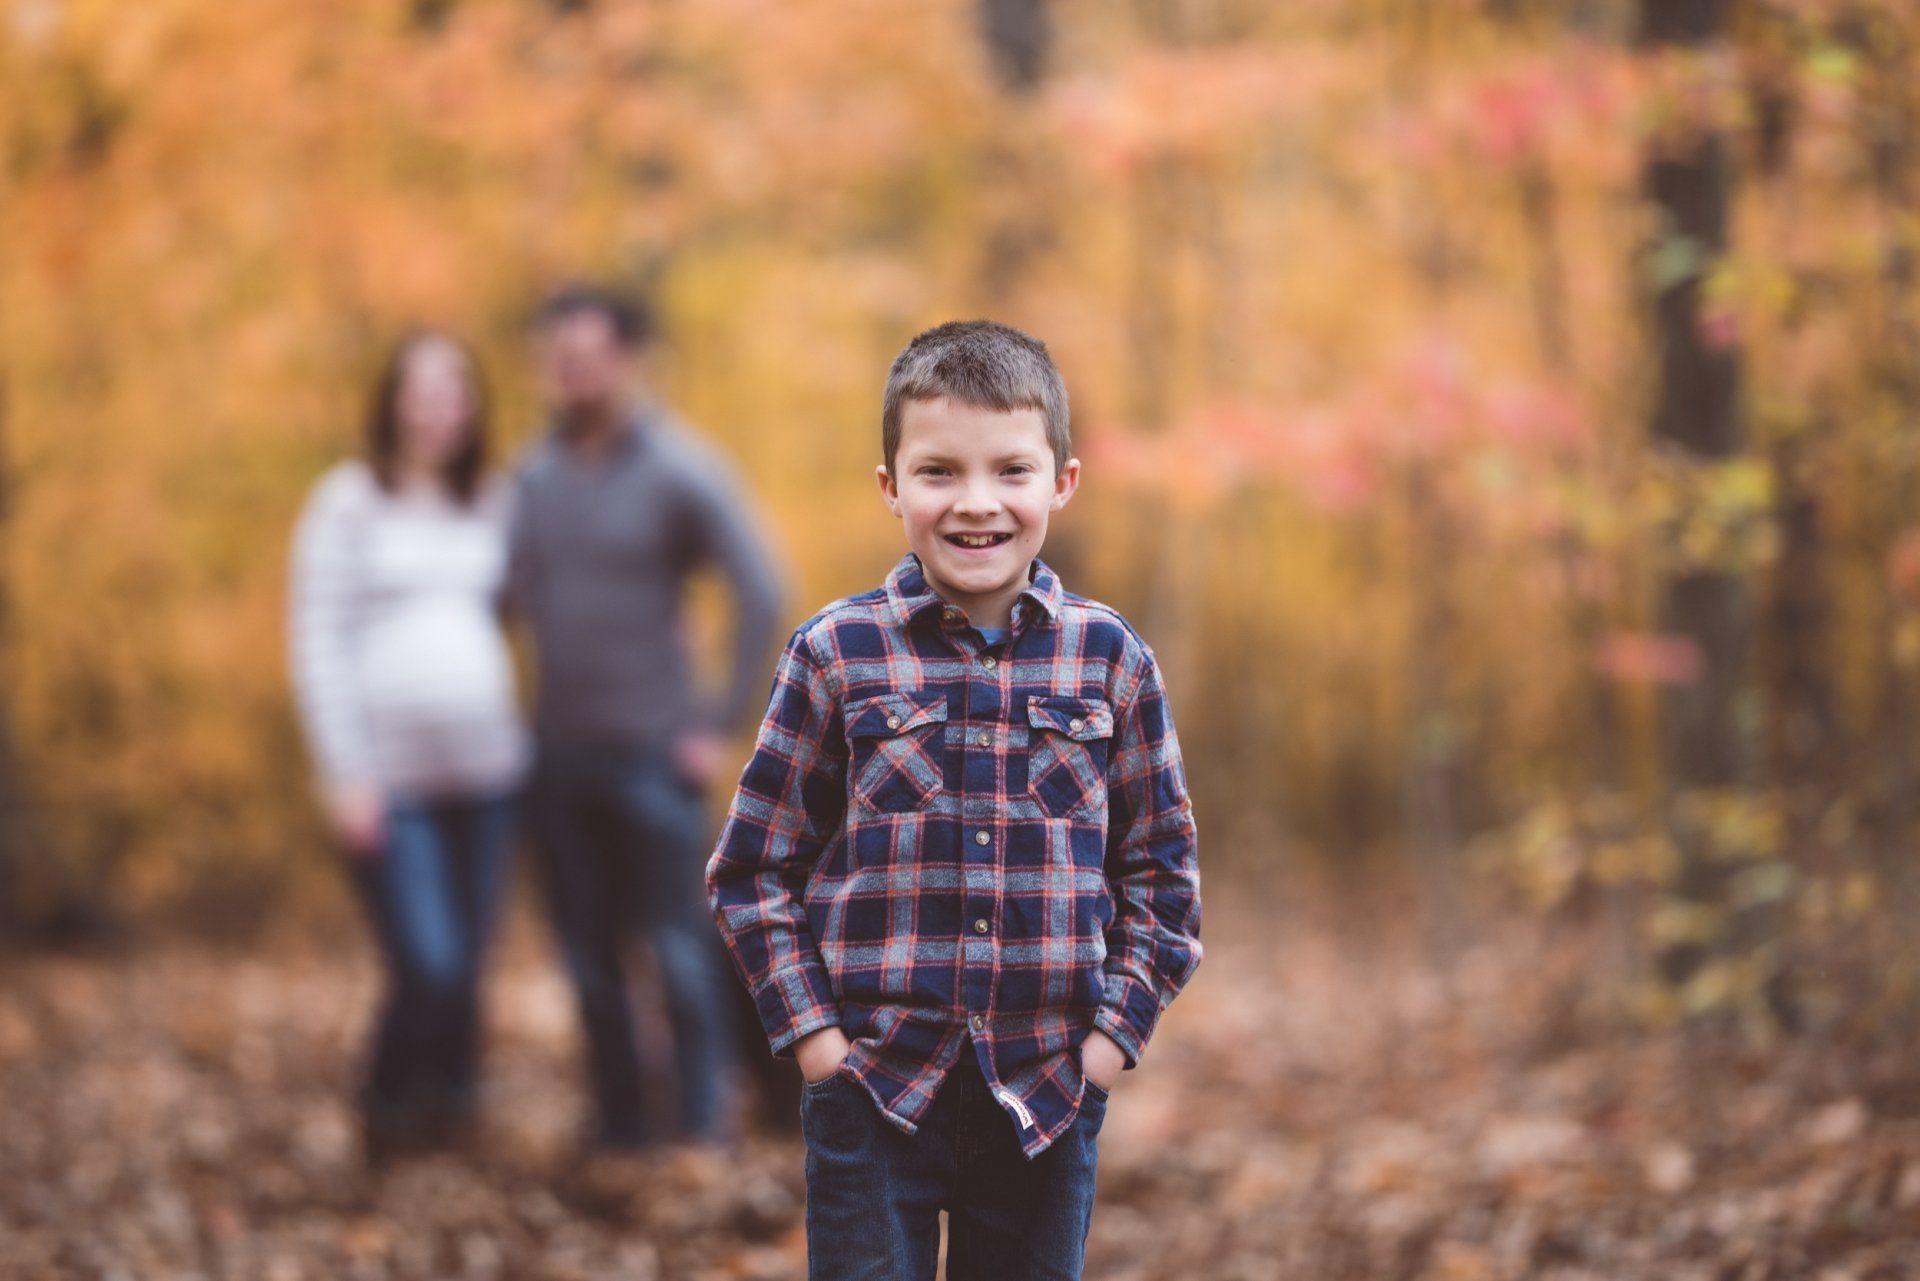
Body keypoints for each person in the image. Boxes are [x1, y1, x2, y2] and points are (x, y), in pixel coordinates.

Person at [705, 319, 1204, 1279]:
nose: (977, 503)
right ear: (890, 486)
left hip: (1047, 1095)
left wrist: (1108, 1044)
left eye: (1011, 471)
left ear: (1062, 481)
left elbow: (1164, 879)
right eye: (939, 472)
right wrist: (817, 1044)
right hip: (873, 1089)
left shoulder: (1110, 660)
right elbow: (752, 871)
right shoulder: (835, 654)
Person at [506, 285, 785, 1151]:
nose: (573, 370)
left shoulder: (680, 468)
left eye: (588, 354)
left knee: (679, 952)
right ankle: (620, 1126)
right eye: (559, 356)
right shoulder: (529, 479)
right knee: (589, 963)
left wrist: (715, 720)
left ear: (628, 359)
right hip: (555, 758)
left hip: (656, 761)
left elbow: (761, 586)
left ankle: (702, 1126)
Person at [287, 330, 526, 1163]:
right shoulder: (348, 502)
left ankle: (451, 1117)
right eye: (421, 390)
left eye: (454, 391)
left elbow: (537, 608)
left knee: (468, 972)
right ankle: (386, 1113)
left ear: (472, 407)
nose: (438, 408)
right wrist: (345, 773)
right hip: (391, 783)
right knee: (428, 960)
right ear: (392, 399)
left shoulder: (492, 501)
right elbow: (317, 641)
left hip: (491, 774)